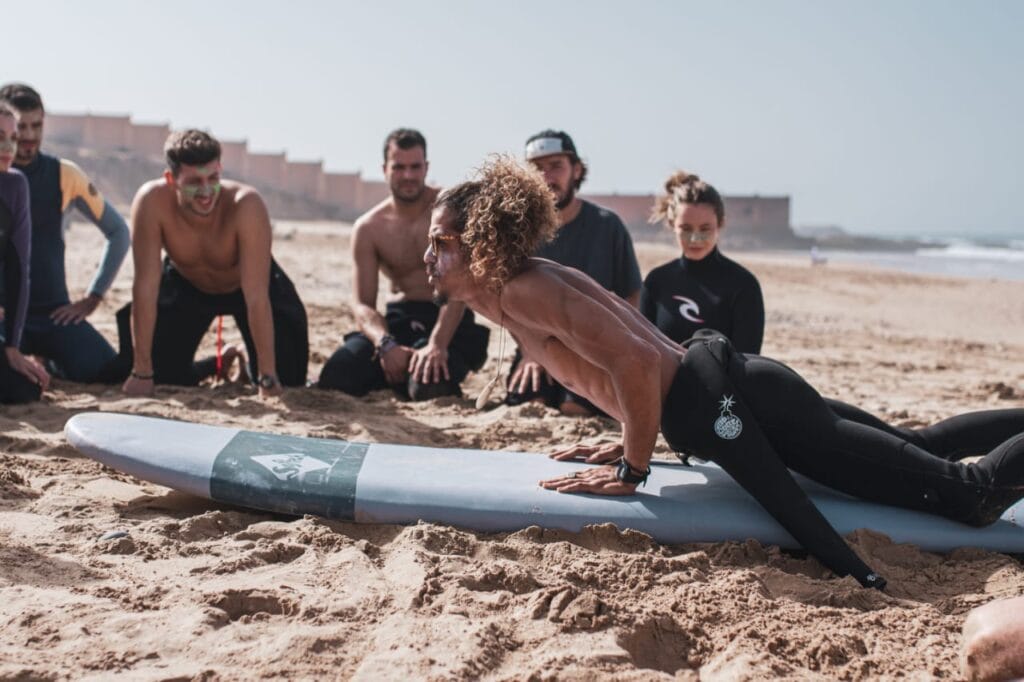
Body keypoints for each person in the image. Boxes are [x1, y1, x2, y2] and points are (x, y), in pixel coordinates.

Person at [423, 156, 1024, 590]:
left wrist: (633, 468)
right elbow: (635, 355)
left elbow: (635, 360)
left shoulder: (524, 291)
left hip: (748, 406)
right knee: (919, 447)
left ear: (480, 240)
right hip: (742, 390)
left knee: (970, 495)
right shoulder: (525, 284)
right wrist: (632, 430)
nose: (428, 256)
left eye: (441, 241)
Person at [113, 130, 308, 398]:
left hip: (246, 286)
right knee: (159, 371)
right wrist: (141, 373)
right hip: (187, 284)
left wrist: (267, 378)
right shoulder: (151, 202)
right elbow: (145, 286)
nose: (206, 191)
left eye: (213, 178)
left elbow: (256, 296)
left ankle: (248, 357)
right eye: (194, 181)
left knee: (289, 378)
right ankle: (218, 362)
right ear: (171, 179)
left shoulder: (246, 204)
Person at [317, 128, 488, 400]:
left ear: (426, 167)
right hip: (401, 318)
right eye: (399, 167)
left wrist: (437, 344)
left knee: (428, 386)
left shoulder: (452, 210)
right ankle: (395, 372)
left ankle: (412, 376)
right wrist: (385, 344)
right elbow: (362, 304)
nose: (408, 175)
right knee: (337, 376)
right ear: (385, 170)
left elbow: (460, 284)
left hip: (449, 318)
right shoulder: (369, 228)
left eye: (415, 167)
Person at [0, 83, 130, 384]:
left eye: (37, 125)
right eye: (21, 127)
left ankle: (51, 361)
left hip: (54, 316)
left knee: (108, 373)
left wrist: (92, 298)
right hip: (5, 318)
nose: (29, 135)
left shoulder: (64, 174)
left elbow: (118, 232)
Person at [506, 130, 642, 415]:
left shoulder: (607, 226)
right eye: (536, 168)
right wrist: (529, 352)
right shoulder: (518, 232)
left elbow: (632, 296)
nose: (546, 177)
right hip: (538, 346)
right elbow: (506, 306)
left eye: (556, 166)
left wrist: (613, 352)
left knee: (573, 408)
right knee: (532, 406)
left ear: (576, 170)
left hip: (592, 348)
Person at [640, 171, 765, 353]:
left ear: (720, 224)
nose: (695, 238)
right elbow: (644, 353)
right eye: (686, 228)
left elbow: (747, 359)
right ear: (672, 224)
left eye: (705, 229)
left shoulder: (744, 285)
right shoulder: (656, 282)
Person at [0, 104, 49, 402]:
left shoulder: (15, 185)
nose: (8, 147)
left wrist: (12, 347)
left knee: (25, 388)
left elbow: (18, 268)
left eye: (13, 138)